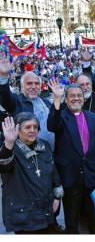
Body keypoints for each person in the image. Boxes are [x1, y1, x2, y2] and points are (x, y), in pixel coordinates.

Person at [0, 56, 64, 232]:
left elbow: (55, 124)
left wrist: (57, 103)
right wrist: (3, 77)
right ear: (21, 87)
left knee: (50, 192)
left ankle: (51, 221)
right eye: (29, 84)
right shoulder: (17, 101)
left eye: (36, 83)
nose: (34, 87)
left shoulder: (45, 101)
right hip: (24, 159)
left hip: (48, 155)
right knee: (32, 196)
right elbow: (5, 98)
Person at [47, 81, 95, 234]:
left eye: (79, 96)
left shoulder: (94, 117)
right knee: (71, 216)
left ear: (83, 98)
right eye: (72, 96)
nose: (76, 99)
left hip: (92, 174)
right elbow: (52, 126)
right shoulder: (60, 116)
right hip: (70, 175)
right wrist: (56, 99)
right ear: (66, 99)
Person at [0, 113, 64, 234]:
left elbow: (53, 172)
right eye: (27, 127)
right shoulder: (11, 149)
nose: (32, 130)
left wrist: (57, 196)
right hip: (24, 214)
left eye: (35, 127)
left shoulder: (44, 146)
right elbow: (3, 166)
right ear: (17, 130)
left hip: (45, 209)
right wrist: (8, 143)